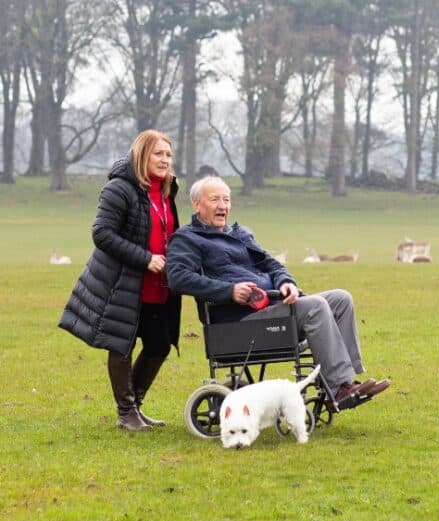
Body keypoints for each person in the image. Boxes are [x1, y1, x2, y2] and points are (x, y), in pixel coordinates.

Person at [166, 177, 389, 411]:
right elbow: (178, 277)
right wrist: (230, 291)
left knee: (341, 299)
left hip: (272, 307)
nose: (223, 206)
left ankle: (347, 381)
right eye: (215, 200)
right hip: (237, 323)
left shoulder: (240, 234)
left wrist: (286, 282)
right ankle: (340, 389)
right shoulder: (187, 239)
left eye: (226, 200)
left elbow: (273, 264)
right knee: (315, 306)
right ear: (196, 204)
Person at [59, 131, 181, 431]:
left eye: (168, 154)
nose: (164, 159)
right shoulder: (119, 188)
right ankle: (126, 412)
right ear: (142, 156)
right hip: (124, 283)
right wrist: (145, 258)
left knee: (159, 344)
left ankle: (135, 408)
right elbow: (102, 234)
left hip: (159, 283)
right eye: (158, 154)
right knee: (122, 344)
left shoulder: (166, 191)